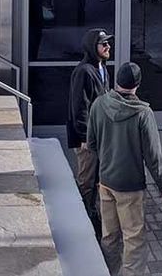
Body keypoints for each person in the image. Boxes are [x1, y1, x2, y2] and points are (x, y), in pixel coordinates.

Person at [89, 62, 162, 275]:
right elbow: (153, 154)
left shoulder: (98, 104)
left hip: (106, 182)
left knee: (109, 235)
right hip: (130, 187)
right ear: (138, 84)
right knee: (133, 238)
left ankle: (108, 271)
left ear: (117, 81)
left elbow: (92, 143)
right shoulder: (143, 113)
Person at [68, 28, 113, 234]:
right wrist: (85, 137)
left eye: (108, 43)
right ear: (92, 47)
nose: (108, 47)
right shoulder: (84, 71)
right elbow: (79, 108)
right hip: (87, 139)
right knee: (86, 179)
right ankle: (83, 220)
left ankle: (93, 213)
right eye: (103, 44)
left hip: (101, 135)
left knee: (98, 178)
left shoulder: (103, 69)